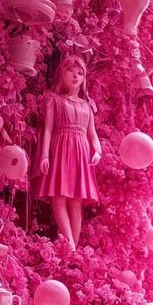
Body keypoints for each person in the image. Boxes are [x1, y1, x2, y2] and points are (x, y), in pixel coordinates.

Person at [35, 53, 101, 250]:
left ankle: (74, 247)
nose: (75, 76)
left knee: (76, 201)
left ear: (84, 78)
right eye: (70, 71)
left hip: (81, 152)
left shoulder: (87, 106)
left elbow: (93, 134)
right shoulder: (54, 100)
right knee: (59, 197)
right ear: (61, 74)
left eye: (80, 73)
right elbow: (47, 129)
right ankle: (70, 246)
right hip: (61, 148)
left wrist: (97, 151)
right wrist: (45, 155)